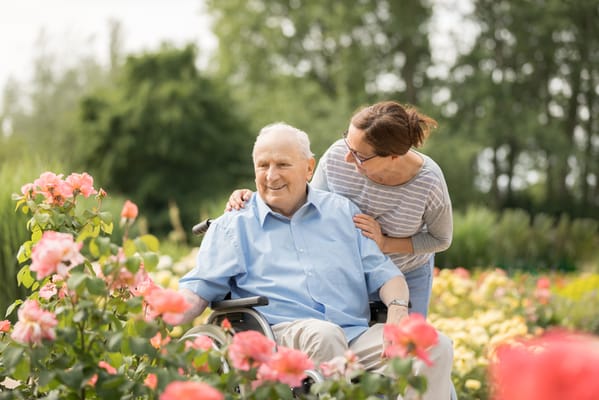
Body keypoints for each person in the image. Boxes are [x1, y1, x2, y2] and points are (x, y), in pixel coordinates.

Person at [179, 122, 454, 400]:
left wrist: (397, 309)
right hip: (279, 338)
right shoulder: (233, 225)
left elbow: (387, 275)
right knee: (323, 334)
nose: (271, 176)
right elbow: (197, 290)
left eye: (282, 165)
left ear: (309, 168)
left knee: (435, 345)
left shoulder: (343, 212)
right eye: (263, 166)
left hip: (353, 336)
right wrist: (158, 313)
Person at [227, 101, 452, 318]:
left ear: (394, 156)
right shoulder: (337, 158)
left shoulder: (428, 183)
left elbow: (440, 239)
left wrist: (385, 243)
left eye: (359, 156)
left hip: (407, 272)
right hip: (347, 271)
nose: (347, 157)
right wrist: (253, 200)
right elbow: (303, 204)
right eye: (348, 144)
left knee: (405, 346)